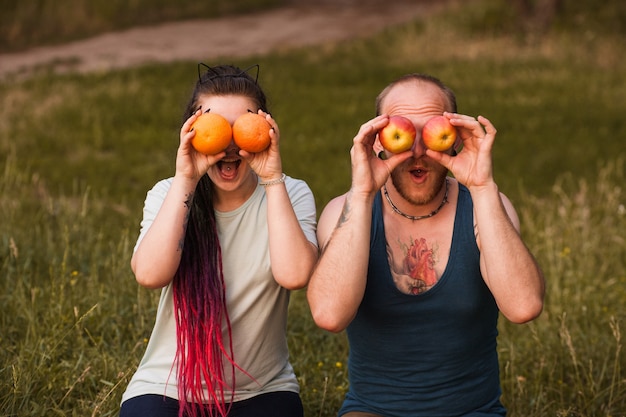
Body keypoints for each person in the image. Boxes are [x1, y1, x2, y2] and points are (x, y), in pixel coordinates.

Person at [306, 73, 545, 416]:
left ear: (454, 140)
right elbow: (330, 315)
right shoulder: (345, 211)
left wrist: (482, 187)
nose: (417, 151)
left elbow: (524, 306)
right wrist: (361, 194)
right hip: (374, 410)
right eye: (403, 134)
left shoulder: (487, 207)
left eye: (430, 133)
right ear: (378, 142)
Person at [119, 64, 318, 417]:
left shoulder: (290, 193)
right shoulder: (169, 193)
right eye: (216, 128)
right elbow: (150, 275)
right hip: (168, 386)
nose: (228, 146)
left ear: (265, 130)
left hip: (262, 390)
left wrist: (272, 179)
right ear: (191, 132)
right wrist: (185, 179)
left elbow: (295, 275)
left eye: (241, 128)